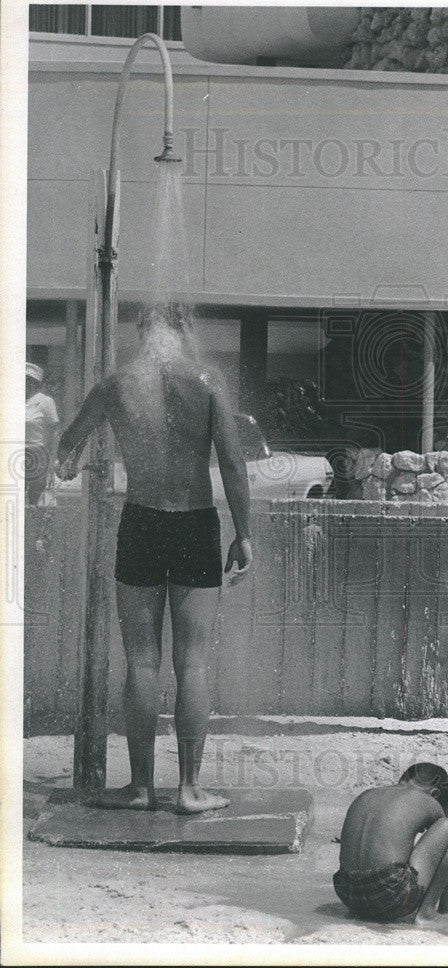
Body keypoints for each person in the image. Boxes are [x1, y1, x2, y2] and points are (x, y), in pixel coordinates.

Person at [56, 302, 253, 814]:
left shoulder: (116, 385)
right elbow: (232, 462)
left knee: (141, 661)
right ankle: (188, 790)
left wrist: (71, 466)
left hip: (141, 521)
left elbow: (67, 447)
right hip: (194, 523)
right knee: (193, 662)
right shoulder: (208, 382)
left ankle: (141, 786)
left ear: (143, 331)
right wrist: (244, 534)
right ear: (183, 328)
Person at [333, 762, 448, 923]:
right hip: (390, 896)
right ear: (434, 793)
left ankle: (364, 911)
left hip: (347, 894)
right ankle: (427, 914)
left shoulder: (369, 793)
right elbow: (445, 856)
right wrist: (446, 909)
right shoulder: (428, 800)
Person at [25, 362, 59, 507]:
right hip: (16, 453)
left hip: (37, 455)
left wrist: (52, 460)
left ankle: (33, 528)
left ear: (32, 382)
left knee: (34, 501)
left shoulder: (45, 402)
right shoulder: (15, 401)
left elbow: (55, 431)